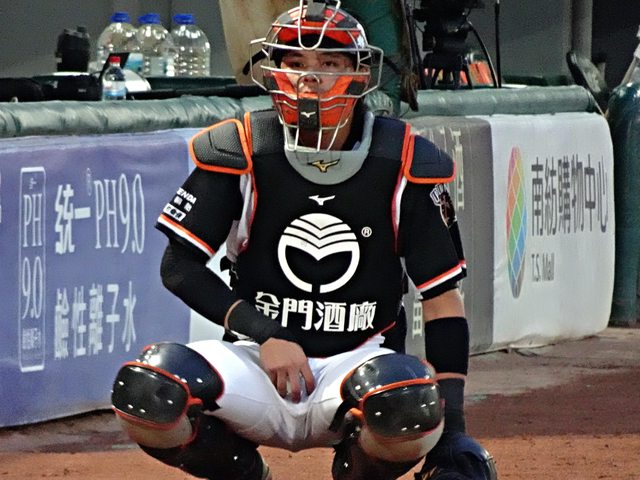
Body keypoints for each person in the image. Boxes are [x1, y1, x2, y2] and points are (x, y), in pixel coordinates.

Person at [111, 1, 497, 479]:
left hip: (358, 365)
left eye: (328, 63)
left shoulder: (405, 161)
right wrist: (266, 333)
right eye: (295, 63)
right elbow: (178, 267)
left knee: (409, 404)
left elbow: (441, 301)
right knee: (148, 390)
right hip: (257, 360)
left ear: (359, 75)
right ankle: (244, 474)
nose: (309, 79)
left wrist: (453, 429)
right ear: (273, 71)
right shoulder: (239, 147)